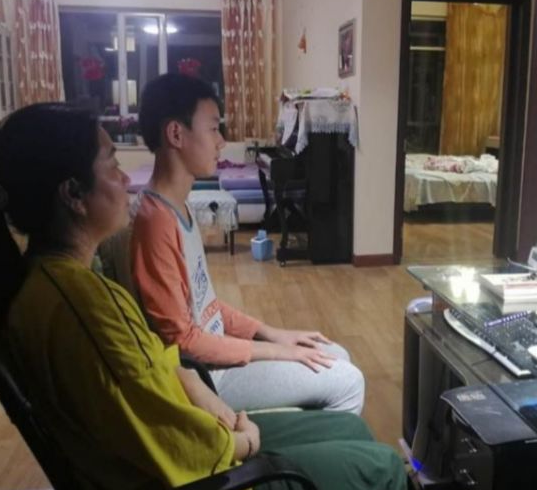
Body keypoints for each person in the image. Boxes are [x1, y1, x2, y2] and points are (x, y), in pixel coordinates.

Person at [0, 103, 407, 490]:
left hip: (200, 419)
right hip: (211, 473)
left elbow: (161, 363)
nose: (125, 178)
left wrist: (239, 362)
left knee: (350, 426)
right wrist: (242, 439)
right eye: (113, 164)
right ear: (73, 194)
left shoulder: (62, 282)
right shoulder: (84, 305)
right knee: (384, 465)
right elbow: (175, 436)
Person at [130, 74, 365, 414]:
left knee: (336, 355)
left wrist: (272, 333)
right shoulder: (155, 222)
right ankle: (291, 447)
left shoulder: (178, 206)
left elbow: (207, 306)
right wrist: (276, 351)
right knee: (348, 381)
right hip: (207, 377)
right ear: (176, 134)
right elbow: (182, 342)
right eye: (213, 129)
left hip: (217, 352)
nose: (221, 141)